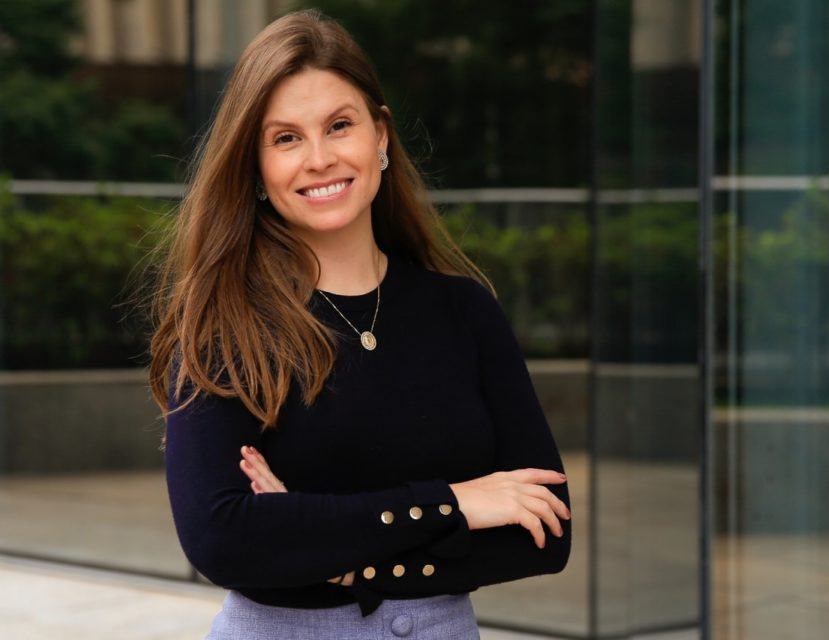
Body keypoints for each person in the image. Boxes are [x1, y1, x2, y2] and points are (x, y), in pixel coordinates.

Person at [147, 8, 571, 640]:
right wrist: (457, 505)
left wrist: (320, 543)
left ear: (380, 136)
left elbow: (544, 534)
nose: (319, 158)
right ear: (256, 167)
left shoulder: (464, 312)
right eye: (285, 138)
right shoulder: (222, 326)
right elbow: (223, 540)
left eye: (339, 126)